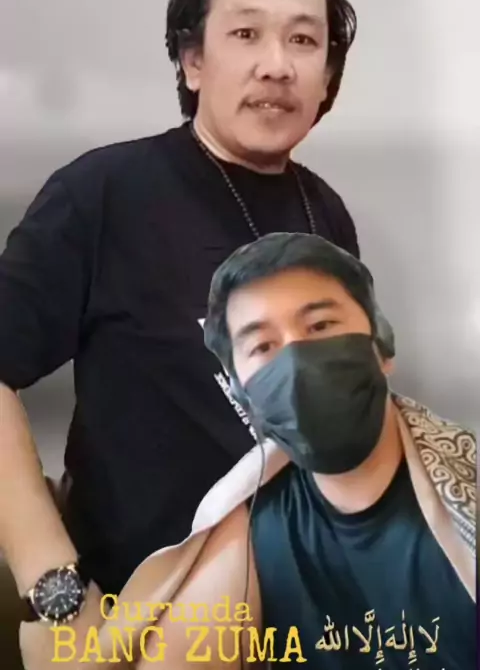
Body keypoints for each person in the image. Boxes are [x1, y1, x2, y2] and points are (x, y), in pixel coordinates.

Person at [0, 0, 359, 660]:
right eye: (246, 34)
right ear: (193, 60)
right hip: (133, 623)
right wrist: (54, 590)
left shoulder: (328, 217)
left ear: (326, 77)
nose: (277, 64)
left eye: (303, 40)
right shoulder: (105, 193)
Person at [113, 232, 475, 669]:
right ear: (241, 397)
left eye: (320, 326)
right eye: (262, 346)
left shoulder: (468, 486)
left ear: (381, 345)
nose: (297, 362)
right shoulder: (250, 529)